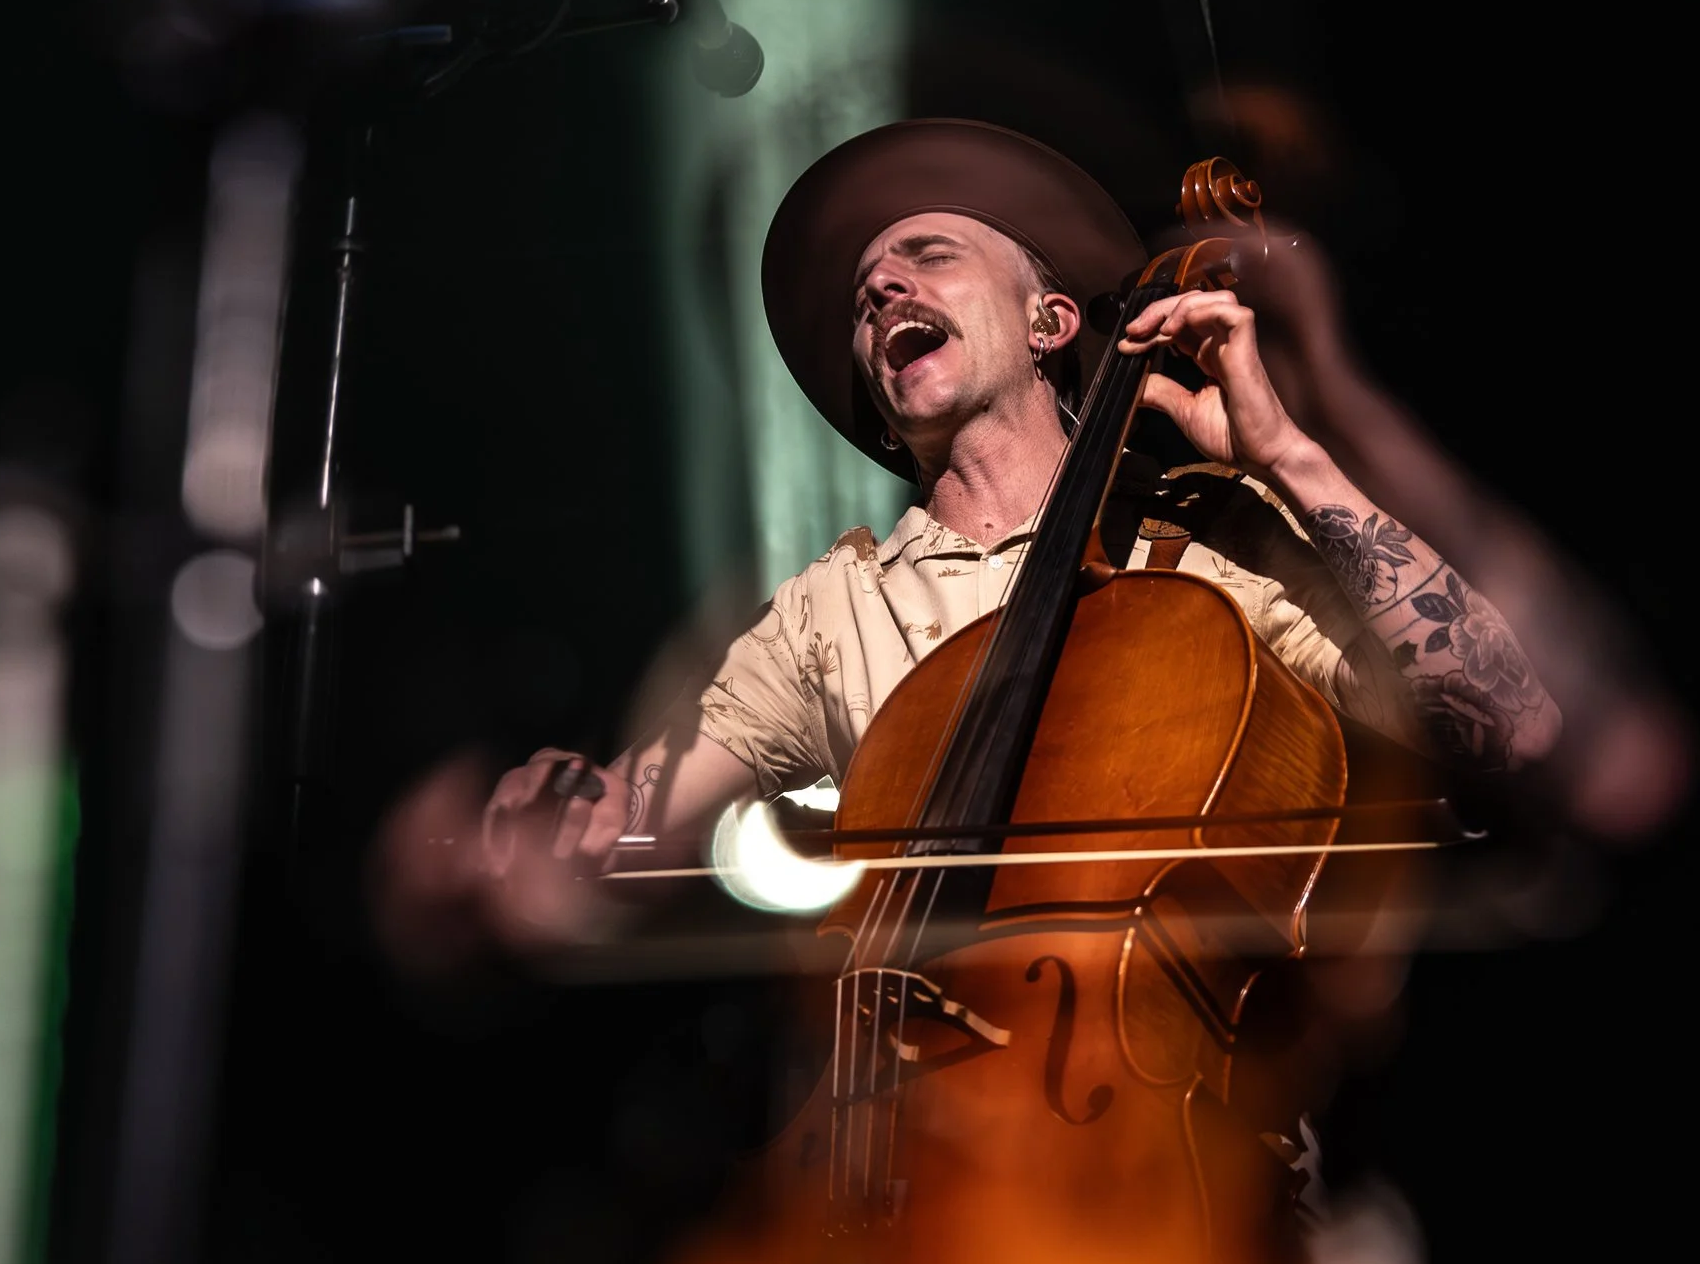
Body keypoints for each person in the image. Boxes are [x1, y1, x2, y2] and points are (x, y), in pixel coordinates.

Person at [472, 119, 1561, 922]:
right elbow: (633, 826)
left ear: (1051, 321)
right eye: (864, 292)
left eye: (928, 256)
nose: (881, 289)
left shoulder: (1211, 535)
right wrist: (572, 814)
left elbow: (1512, 727)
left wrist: (1290, 456)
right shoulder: (829, 613)